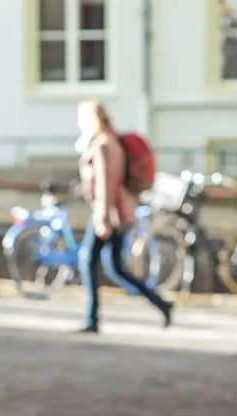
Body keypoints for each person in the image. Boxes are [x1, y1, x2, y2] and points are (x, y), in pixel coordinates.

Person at [76, 100, 172, 333]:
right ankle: (161, 303)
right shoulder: (110, 141)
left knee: (88, 260)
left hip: (110, 214)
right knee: (116, 268)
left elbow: (108, 184)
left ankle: (92, 319)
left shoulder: (104, 144)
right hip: (117, 213)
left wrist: (103, 217)